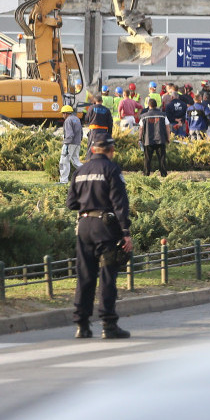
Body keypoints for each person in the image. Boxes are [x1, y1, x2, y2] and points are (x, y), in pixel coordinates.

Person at [66, 138, 132, 340]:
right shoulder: (111, 170)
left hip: (84, 227)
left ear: (93, 149)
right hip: (105, 228)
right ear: (111, 150)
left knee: (84, 275)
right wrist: (126, 232)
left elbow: (71, 203)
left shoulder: (80, 171)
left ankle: (82, 325)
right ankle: (108, 324)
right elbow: (119, 203)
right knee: (106, 275)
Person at [139, 98, 170, 177]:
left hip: (148, 140)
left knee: (147, 159)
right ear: (156, 105)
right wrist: (168, 138)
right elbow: (167, 127)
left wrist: (140, 139)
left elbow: (141, 128)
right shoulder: (163, 115)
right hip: (161, 139)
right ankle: (164, 175)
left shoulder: (144, 116)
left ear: (149, 106)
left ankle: (146, 175)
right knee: (162, 159)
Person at [58, 104, 83, 184]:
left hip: (70, 144)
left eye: (63, 113)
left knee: (64, 162)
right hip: (77, 143)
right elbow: (81, 132)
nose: (62, 115)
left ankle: (63, 181)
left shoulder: (68, 120)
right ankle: (88, 172)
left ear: (66, 113)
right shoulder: (77, 119)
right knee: (76, 162)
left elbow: (70, 134)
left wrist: (66, 145)